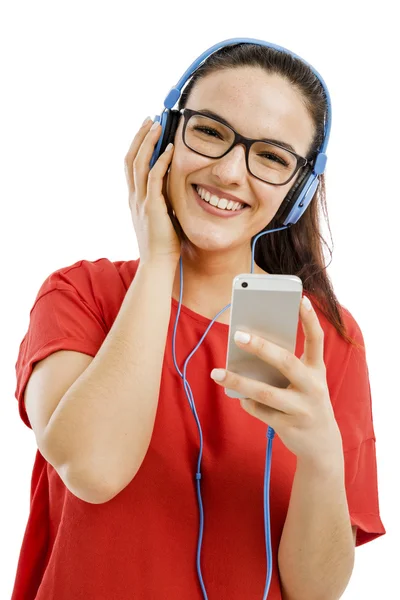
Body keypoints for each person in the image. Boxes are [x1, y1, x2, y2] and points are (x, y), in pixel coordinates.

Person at [12, 40, 386, 600]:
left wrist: (322, 456)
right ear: (164, 136)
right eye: (210, 131)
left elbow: (315, 591)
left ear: (299, 189)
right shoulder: (81, 295)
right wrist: (158, 257)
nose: (232, 171)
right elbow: (93, 469)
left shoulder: (325, 337)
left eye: (272, 157)